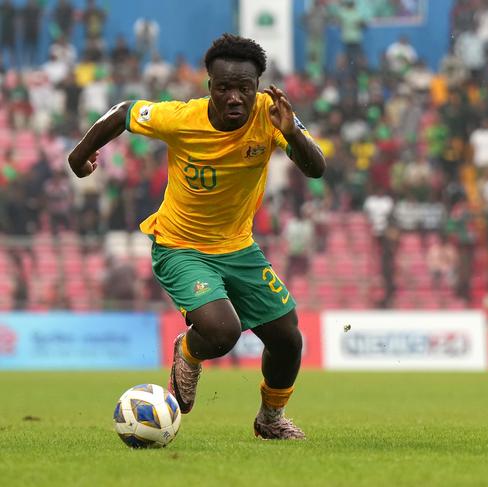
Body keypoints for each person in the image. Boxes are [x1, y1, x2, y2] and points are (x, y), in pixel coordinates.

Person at [68, 34, 326, 440]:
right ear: (209, 86)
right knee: (222, 332)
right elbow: (122, 112)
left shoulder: (272, 116)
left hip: (238, 248)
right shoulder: (181, 118)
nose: (235, 97)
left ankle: (270, 420)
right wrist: (78, 155)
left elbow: (316, 168)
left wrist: (293, 133)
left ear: (257, 87)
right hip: (180, 246)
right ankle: (188, 352)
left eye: (245, 88)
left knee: (288, 339)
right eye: (224, 88)